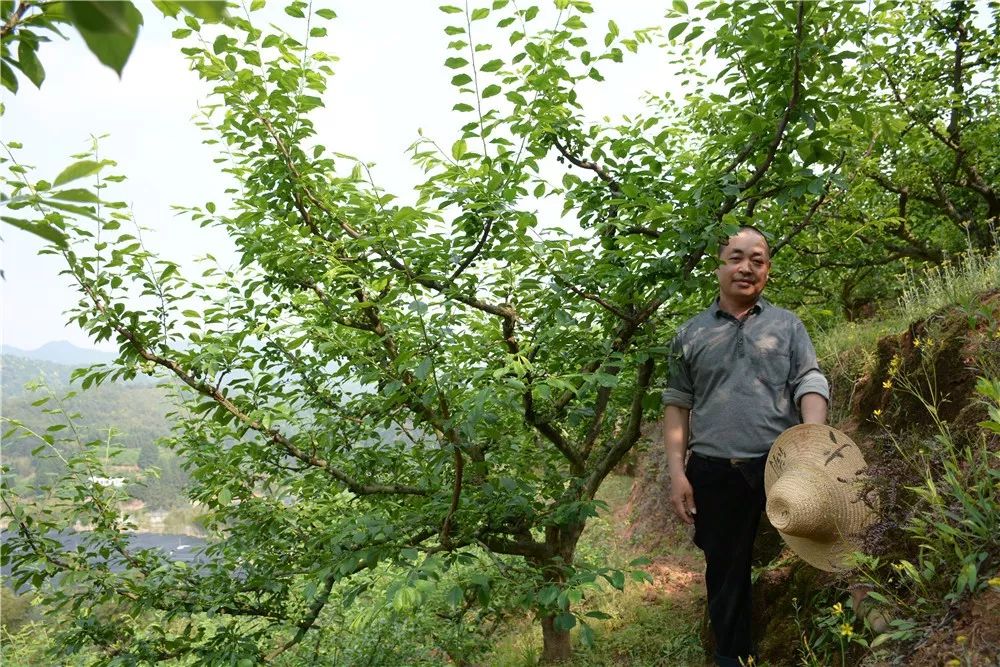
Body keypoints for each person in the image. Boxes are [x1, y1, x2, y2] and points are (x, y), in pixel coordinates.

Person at [662, 226, 830, 667]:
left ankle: (835, 637)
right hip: (715, 471)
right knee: (725, 570)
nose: (746, 267)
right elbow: (678, 404)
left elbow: (809, 380)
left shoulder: (787, 325)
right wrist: (678, 473)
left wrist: (811, 441)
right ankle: (732, 658)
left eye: (758, 259)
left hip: (782, 465)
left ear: (768, 270)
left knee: (823, 542)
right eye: (736, 257)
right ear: (719, 266)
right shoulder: (689, 336)